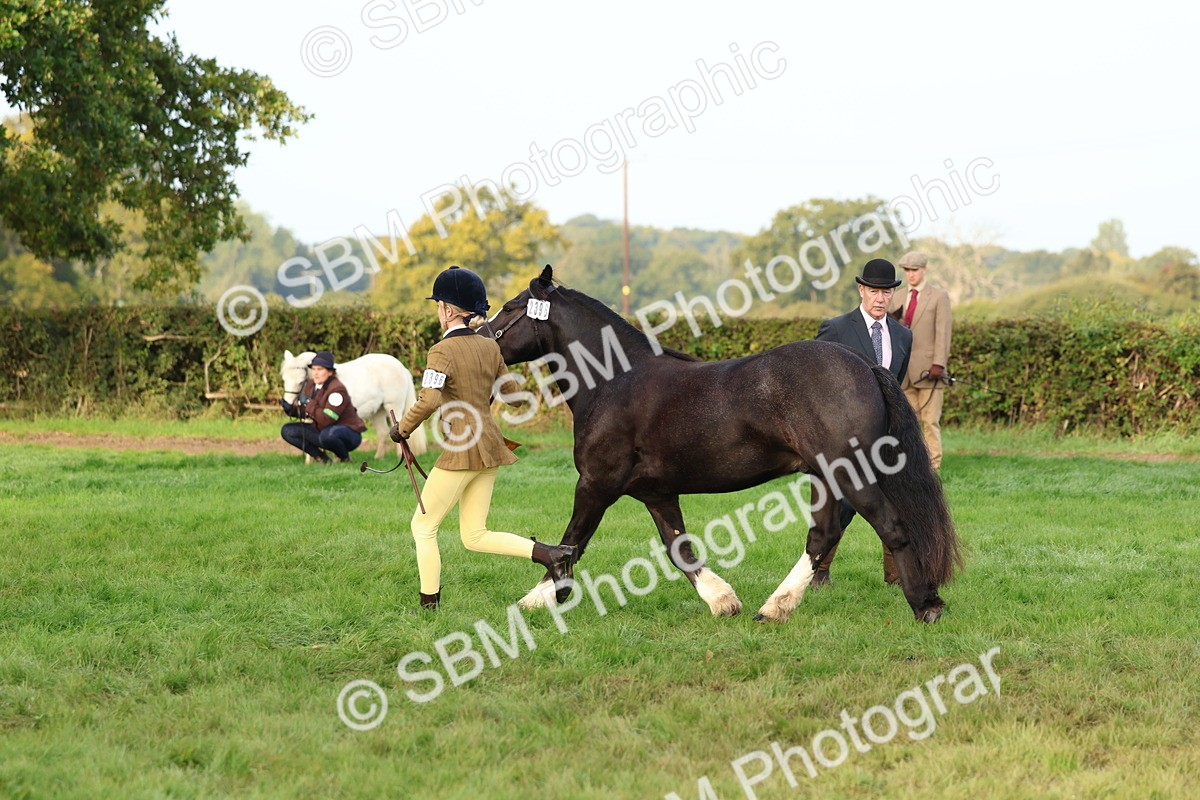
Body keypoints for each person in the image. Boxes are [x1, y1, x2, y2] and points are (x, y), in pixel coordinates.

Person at [388, 265, 575, 610]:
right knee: (474, 535)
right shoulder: (490, 348)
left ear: (446, 309)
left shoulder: (440, 352)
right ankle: (552, 554)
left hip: (462, 451)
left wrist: (402, 429)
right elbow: (515, 396)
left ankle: (429, 605)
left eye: (438, 306)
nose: (438, 312)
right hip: (491, 447)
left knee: (423, 527)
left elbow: (428, 400)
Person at [810, 258, 912, 588]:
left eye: (886, 292)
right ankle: (818, 570)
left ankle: (897, 577)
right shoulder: (836, 328)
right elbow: (815, 382)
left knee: (896, 503)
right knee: (841, 506)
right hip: (842, 438)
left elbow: (895, 385)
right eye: (873, 291)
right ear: (861, 290)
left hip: (885, 439)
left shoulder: (903, 335)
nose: (880, 298)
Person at [890, 251, 952, 472]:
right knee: (909, 422)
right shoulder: (896, 296)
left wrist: (939, 364)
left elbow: (943, 333)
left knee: (930, 421)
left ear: (924, 269)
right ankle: (914, 462)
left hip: (930, 370)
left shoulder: (938, 296)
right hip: (903, 370)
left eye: (914, 270)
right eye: (907, 270)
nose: (910, 274)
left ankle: (933, 465)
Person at [279, 351, 367, 464]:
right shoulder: (311, 386)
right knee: (287, 430)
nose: (315, 373)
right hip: (325, 430)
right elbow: (309, 412)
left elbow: (327, 419)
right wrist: (292, 410)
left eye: (320, 369)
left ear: (330, 372)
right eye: (314, 369)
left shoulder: (337, 390)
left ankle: (344, 458)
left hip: (347, 432)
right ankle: (321, 458)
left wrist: (309, 404)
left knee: (327, 436)